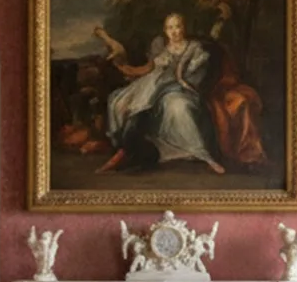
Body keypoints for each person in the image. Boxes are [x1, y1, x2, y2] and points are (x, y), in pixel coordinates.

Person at [96, 14, 225, 174]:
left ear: (184, 28)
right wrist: (125, 68)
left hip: (182, 89)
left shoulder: (194, 48)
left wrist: (179, 78)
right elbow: (147, 69)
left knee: (178, 106)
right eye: (170, 28)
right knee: (127, 102)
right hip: (157, 87)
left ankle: (204, 155)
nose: (174, 31)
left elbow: (196, 78)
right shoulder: (163, 50)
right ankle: (126, 152)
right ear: (165, 31)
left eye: (177, 26)